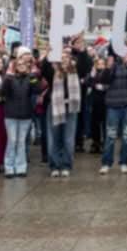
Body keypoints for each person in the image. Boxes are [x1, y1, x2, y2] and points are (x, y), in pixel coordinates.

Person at [0, 49, 41, 178]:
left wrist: (32, 76)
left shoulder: (30, 78)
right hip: (11, 115)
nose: (22, 66)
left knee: (21, 141)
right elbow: (2, 92)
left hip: (25, 114)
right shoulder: (10, 78)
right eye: (19, 64)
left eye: (24, 64)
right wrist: (8, 77)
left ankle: (21, 167)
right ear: (15, 66)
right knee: (12, 141)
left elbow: (37, 90)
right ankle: (9, 167)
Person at [41, 45, 80, 177]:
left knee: (68, 139)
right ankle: (54, 166)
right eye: (61, 57)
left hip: (70, 108)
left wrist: (80, 49)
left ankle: (66, 165)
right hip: (55, 107)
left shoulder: (75, 71)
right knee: (54, 138)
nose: (64, 60)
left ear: (70, 59)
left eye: (66, 57)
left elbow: (86, 62)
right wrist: (47, 55)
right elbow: (44, 69)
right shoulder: (53, 71)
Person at [99, 45, 127, 174]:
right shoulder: (112, 64)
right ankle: (106, 163)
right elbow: (103, 80)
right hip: (113, 105)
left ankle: (124, 162)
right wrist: (108, 68)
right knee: (110, 135)